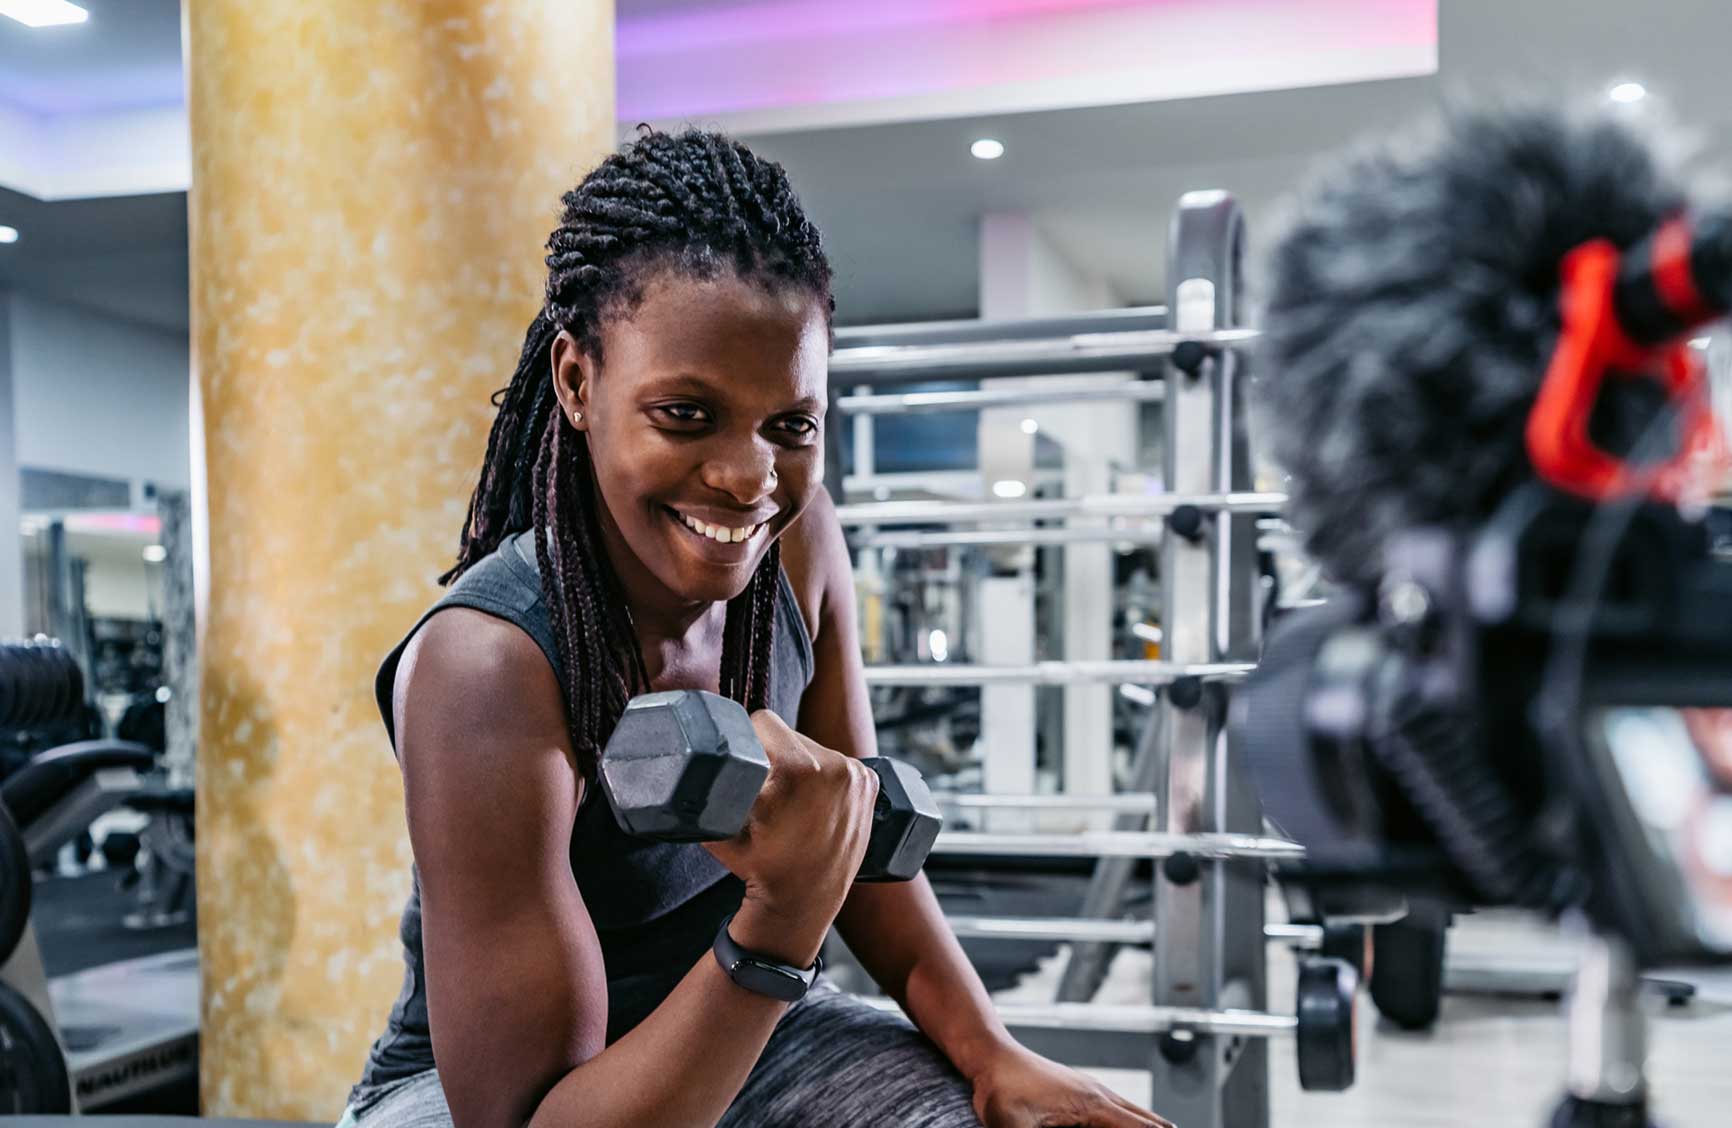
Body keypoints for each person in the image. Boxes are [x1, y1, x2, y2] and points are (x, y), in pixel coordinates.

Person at [338, 128, 1172, 1128]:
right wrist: (774, 930)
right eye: (686, 414)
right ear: (576, 382)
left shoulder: (797, 541)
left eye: (791, 425)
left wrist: (993, 1056)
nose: (749, 476)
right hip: (490, 1104)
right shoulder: (490, 662)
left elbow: (850, 844)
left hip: (752, 1020)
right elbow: (532, 1120)